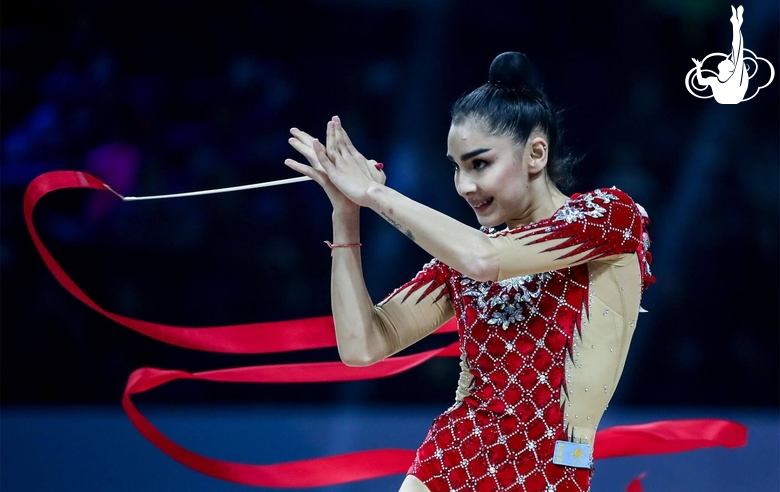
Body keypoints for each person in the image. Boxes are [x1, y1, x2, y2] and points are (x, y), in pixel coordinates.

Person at [284, 52, 654, 492]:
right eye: (456, 167)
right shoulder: (462, 257)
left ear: (536, 153)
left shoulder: (607, 217)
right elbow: (362, 345)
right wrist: (346, 213)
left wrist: (373, 194)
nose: (464, 186)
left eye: (479, 164)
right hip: (447, 462)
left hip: (547, 472)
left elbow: (485, 261)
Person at [692, 5, 748, 104]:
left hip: (731, 99)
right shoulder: (716, 80)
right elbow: (701, 82)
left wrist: (736, 25)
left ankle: (736, 23)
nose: (725, 59)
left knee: (736, 50)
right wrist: (698, 67)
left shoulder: (731, 78)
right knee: (736, 51)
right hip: (729, 100)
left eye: (727, 61)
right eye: (728, 60)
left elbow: (737, 49)